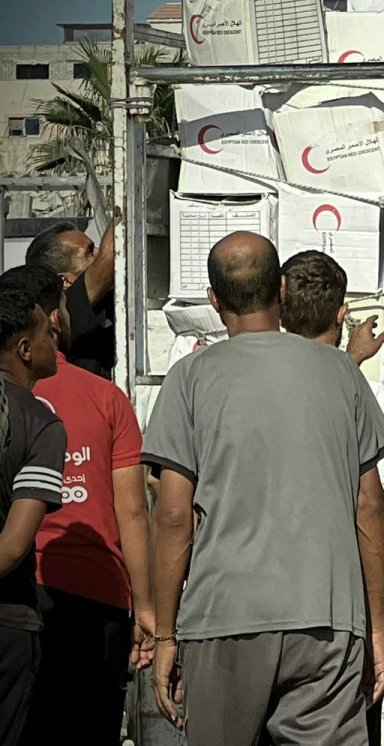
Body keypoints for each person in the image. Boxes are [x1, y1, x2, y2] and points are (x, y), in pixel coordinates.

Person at [142, 231, 384, 745]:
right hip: (327, 619)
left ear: (214, 301)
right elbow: (370, 505)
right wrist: (376, 628)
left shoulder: (189, 379)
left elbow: (172, 517)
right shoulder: (342, 373)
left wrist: (165, 634)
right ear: (281, 288)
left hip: (223, 618)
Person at [0, 266, 154, 745]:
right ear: (50, 319)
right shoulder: (102, 399)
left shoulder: (20, 401)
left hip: (26, 596)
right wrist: (147, 608)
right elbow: (132, 511)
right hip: (92, 595)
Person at [278, 250, 384, 746]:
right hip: (342, 613)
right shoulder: (373, 398)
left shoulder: (241, 383)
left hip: (261, 608)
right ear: (342, 316)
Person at [0, 288, 66, 746]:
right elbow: (11, 548)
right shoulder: (41, 423)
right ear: (25, 349)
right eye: (47, 332)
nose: (55, 341)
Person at [25, 216, 119, 378]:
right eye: (89, 252)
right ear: (65, 280)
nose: (97, 252)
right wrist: (122, 210)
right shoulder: (69, 307)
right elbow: (109, 258)